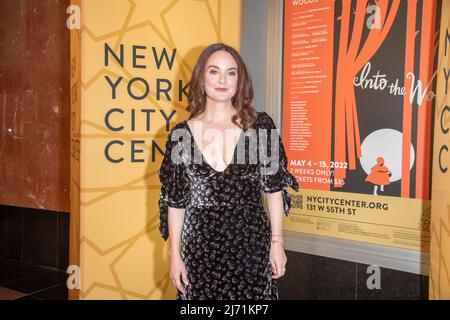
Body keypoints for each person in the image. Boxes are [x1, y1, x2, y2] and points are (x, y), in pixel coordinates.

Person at [158, 43, 299, 300]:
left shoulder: (261, 126)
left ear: (239, 80)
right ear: (201, 78)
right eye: (214, 71)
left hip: (252, 248)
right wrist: (174, 254)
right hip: (199, 252)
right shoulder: (180, 134)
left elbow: (274, 189)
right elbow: (176, 202)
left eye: (231, 72)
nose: (223, 80)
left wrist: (277, 243)